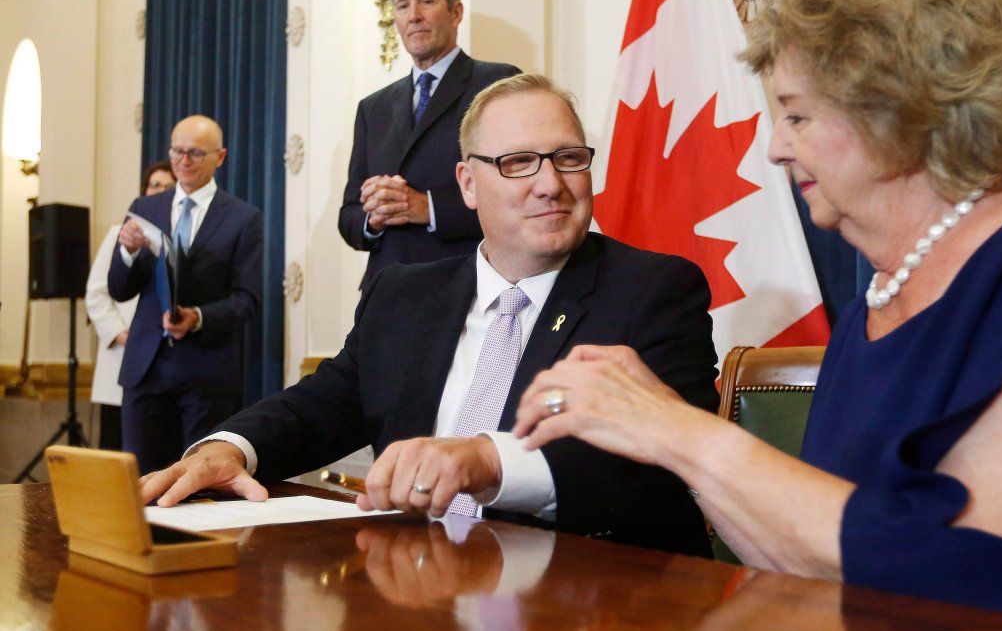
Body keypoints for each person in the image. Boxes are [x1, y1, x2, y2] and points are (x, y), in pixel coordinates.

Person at [512, 0, 1002, 631]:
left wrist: (680, 430)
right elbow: (814, 561)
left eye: (798, 114)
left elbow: (986, 575)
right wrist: (663, 443)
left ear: (897, 107)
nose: (776, 146)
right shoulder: (874, 302)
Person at [141, 74, 716, 557]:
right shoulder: (404, 295)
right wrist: (230, 448)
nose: (551, 184)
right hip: (417, 595)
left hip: (596, 613)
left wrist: (488, 460)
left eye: (569, 158)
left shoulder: (654, 290)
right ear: (468, 184)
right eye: (519, 162)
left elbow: (662, 463)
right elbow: (321, 407)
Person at [338, 0, 521, 286]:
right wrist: (374, 218)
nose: (414, 16)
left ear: (456, 12)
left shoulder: (498, 84)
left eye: (426, 1)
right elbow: (349, 217)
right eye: (403, 5)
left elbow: (516, 192)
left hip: (466, 283)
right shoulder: (372, 107)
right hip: (386, 292)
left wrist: (428, 207)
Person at [109, 115, 264, 474]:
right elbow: (119, 289)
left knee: (198, 485)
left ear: (220, 157)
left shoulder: (244, 218)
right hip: (146, 367)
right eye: (177, 151)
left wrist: (198, 318)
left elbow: (248, 300)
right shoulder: (145, 207)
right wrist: (128, 252)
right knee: (141, 482)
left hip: (206, 373)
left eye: (195, 153)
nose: (183, 161)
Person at [85, 160, 176, 450]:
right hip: (123, 354)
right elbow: (97, 294)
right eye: (155, 185)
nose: (160, 191)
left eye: (168, 186)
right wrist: (124, 336)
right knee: (117, 447)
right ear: (144, 190)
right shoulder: (118, 233)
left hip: (165, 361)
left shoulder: (179, 236)